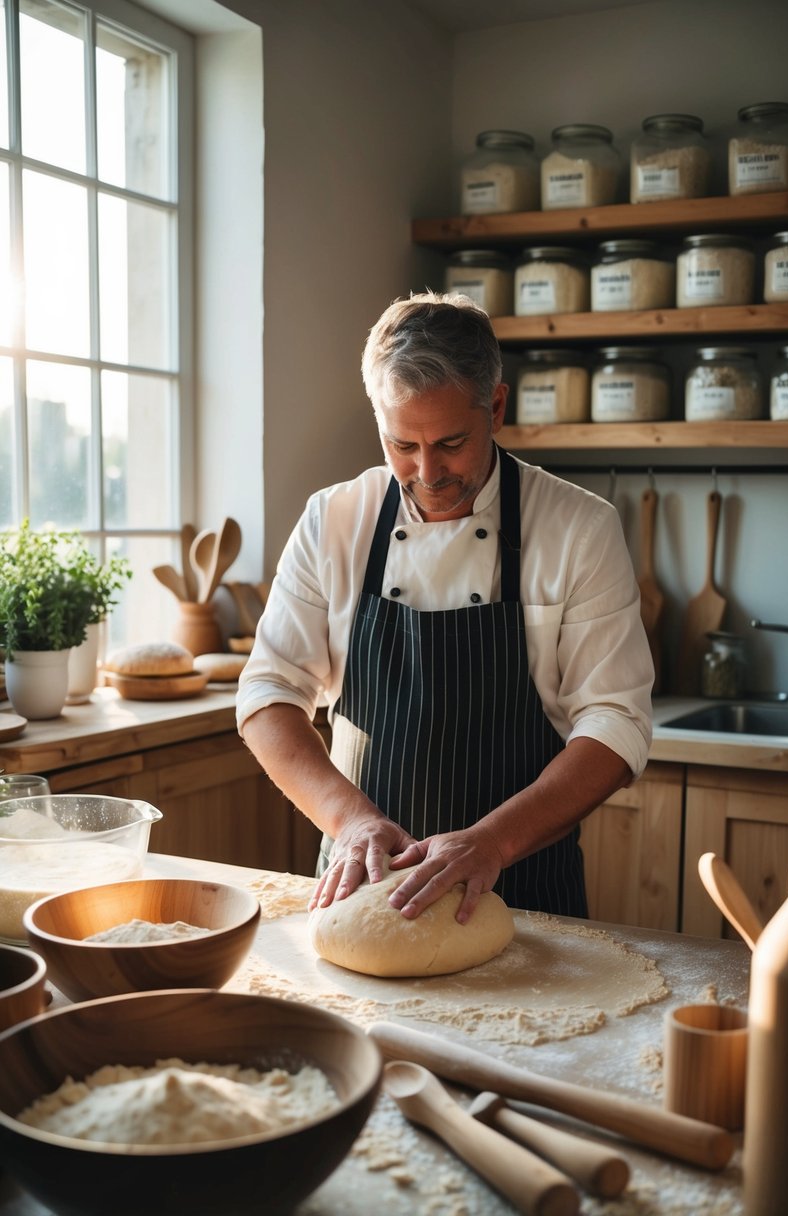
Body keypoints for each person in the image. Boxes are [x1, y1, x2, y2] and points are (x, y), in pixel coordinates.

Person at [237, 291, 653, 924]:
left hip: (524, 891)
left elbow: (616, 722)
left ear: (496, 406)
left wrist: (492, 842)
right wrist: (351, 824)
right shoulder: (334, 520)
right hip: (364, 886)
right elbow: (268, 693)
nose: (427, 473)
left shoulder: (578, 529)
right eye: (401, 445)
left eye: (452, 443)